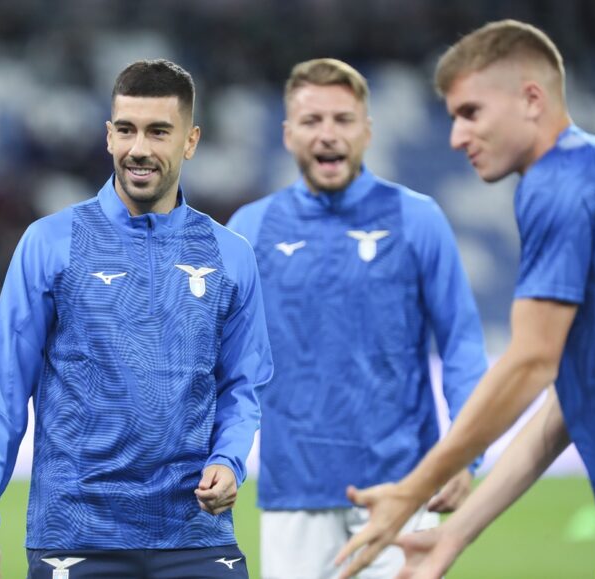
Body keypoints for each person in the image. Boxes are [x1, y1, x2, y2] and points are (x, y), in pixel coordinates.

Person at [0, 58, 273, 579]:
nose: (139, 149)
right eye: (126, 130)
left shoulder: (230, 255)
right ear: (108, 136)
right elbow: (4, 393)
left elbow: (243, 384)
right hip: (77, 536)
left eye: (159, 132)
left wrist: (229, 458)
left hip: (195, 537)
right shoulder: (51, 243)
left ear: (191, 141)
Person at [335, 19, 595, 579]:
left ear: (531, 99)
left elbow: (530, 361)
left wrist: (413, 489)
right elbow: (571, 396)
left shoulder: (556, 185)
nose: (457, 137)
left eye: (471, 113)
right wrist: (456, 533)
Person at [226, 58, 487, 579]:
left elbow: (460, 342)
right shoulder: (249, 230)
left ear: (367, 130)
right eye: (312, 121)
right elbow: (219, 362)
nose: (328, 134)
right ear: (287, 134)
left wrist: (466, 453)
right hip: (293, 492)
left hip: (400, 487)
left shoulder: (417, 218)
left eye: (343, 120)